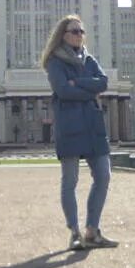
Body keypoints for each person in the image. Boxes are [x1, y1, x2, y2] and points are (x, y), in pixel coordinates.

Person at [41, 15, 118, 250]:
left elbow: (103, 83)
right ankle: (74, 232)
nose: (79, 35)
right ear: (63, 35)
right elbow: (63, 91)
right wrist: (87, 87)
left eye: (81, 31)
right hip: (70, 125)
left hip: (93, 124)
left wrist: (78, 83)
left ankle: (92, 230)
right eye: (74, 31)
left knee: (104, 175)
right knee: (70, 181)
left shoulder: (89, 59)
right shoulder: (55, 61)